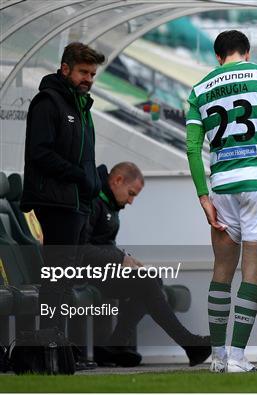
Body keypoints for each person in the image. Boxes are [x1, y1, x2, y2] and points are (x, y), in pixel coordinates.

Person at [186, 30, 257, 373]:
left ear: (219, 57)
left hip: (221, 187)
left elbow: (193, 147)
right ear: (246, 53)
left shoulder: (199, 89)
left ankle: (218, 357)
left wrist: (203, 197)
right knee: (252, 274)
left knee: (220, 272)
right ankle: (236, 356)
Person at [82, 162, 211, 367]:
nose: (131, 201)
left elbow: (103, 244)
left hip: (102, 270)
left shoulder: (109, 204)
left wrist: (126, 259)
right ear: (117, 181)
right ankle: (189, 343)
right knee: (147, 282)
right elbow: (81, 250)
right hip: (83, 274)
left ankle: (115, 346)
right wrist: (120, 259)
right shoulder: (93, 202)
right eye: (131, 193)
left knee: (151, 279)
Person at [21, 42, 105, 330]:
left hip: (78, 203)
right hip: (56, 202)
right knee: (56, 278)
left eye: (92, 74)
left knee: (66, 279)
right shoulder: (48, 101)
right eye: (83, 72)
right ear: (65, 68)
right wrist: (79, 176)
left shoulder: (81, 106)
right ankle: (49, 343)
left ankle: (61, 347)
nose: (88, 79)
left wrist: (91, 186)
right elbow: (39, 152)